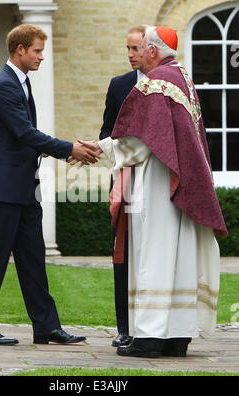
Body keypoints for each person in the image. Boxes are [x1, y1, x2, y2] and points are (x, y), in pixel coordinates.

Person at [77, 26, 228, 358]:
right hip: (182, 185)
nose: (137, 53)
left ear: (155, 51)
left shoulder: (155, 82)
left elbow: (138, 142)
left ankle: (149, 338)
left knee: (155, 255)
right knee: (179, 257)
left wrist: (98, 149)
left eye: (142, 47)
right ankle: (176, 337)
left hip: (160, 185)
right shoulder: (183, 80)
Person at [0, 24, 99, 346]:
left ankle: (46, 326)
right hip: (4, 187)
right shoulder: (5, 86)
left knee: (33, 258)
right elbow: (25, 133)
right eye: (37, 51)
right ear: (20, 50)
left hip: (24, 187)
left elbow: (25, 138)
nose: (42, 57)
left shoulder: (20, 83)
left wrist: (64, 150)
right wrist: (70, 149)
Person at [100, 26, 145, 348]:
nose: (130, 55)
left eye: (135, 48)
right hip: (127, 181)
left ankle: (152, 325)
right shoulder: (119, 85)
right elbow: (108, 131)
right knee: (124, 255)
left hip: (159, 184)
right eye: (127, 48)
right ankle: (124, 327)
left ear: (151, 49)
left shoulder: (171, 85)